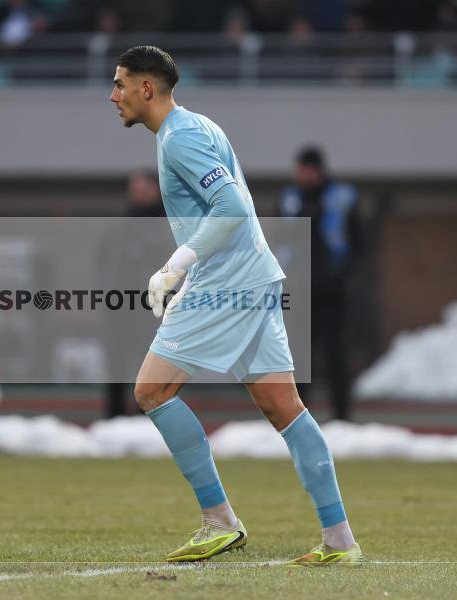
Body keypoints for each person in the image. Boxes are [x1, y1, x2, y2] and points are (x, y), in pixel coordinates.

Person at [110, 46, 361, 566]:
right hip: (255, 276)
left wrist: (177, 264)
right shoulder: (197, 126)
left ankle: (220, 521)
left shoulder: (180, 137)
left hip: (227, 282)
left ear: (146, 88)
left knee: (151, 390)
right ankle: (340, 540)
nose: (113, 96)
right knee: (283, 407)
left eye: (119, 84)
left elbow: (232, 206)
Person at [280, 146, 362, 422]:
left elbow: (358, 244)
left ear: (316, 171)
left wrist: (342, 275)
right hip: (299, 288)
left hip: (331, 291)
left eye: (304, 170)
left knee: (335, 353)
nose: (299, 175)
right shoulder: (290, 199)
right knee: (297, 356)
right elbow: (278, 238)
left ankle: (342, 416)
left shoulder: (341, 198)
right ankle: (298, 416)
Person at [103, 171, 166, 418]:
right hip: (120, 304)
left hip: (152, 307)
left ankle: (147, 417)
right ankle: (114, 418)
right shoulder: (121, 225)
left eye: (143, 190)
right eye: (134, 190)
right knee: (116, 363)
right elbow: (106, 261)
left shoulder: (167, 223)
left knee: (149, 365)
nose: (137, 195)